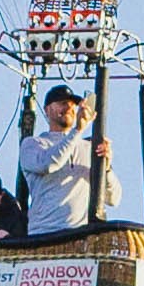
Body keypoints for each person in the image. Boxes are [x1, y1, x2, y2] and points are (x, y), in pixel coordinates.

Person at [20, 81, 103, 239]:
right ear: (47, 110)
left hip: (79, 236)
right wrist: (77, 130)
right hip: (43, 235)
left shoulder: (88, 148)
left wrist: (106, 167)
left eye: (73, 105)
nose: (69, 108)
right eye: (62, 103)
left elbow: (113, 197)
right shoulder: (33, 144)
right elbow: (49, 164)